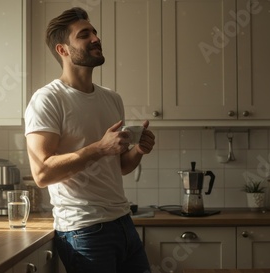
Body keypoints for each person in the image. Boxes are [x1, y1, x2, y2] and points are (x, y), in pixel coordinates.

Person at [24, 7, 155, 273]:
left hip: (123, 223)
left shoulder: (112, 98)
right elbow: (42, 173)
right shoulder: (48, 99)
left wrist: (139, 150)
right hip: (84, 231)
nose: (96, 38)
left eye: (94, 32)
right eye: (85, 35)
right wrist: (99, 147)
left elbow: (119, 167)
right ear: (63, 50)